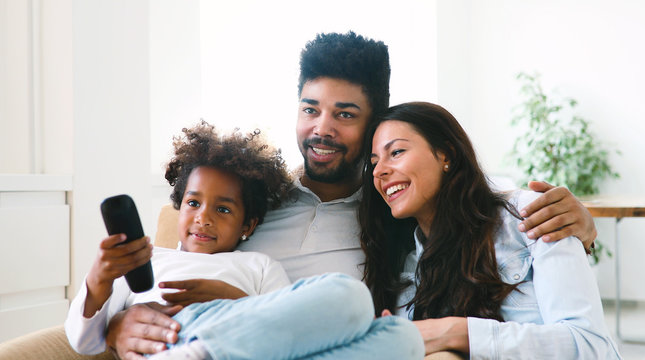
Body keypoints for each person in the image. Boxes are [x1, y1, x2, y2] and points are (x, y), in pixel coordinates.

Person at [105, 32, 599, 359]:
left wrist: (577, 218)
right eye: (310, 109)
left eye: (344, 115)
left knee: (374, 322)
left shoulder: (393, 210)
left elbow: (471, 200)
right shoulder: (249, 203)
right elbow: (173, 268)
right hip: (216, 334)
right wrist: (119, 324)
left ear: (371, 125)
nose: (322, 129)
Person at [65, 122, 423, 359]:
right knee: (353, 295)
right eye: (193, 203)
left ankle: (208, 352)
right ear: (179, 204)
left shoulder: (257, 265)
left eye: (223, 210)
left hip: (248, 342)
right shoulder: (149, 260)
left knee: (403, 337)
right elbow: (84, 340)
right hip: (176, 333)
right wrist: (99, 280)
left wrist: (232, 299)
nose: (203, 217)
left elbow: (286, 325)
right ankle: (199, 353)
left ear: (247, 225)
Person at [361, 102, 621, 358]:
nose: (380, 171)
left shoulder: (530, 216)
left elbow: (590, 347)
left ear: (446, 155)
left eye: (396, 152)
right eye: (374, 162)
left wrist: (455, 332)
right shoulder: (409, 270)